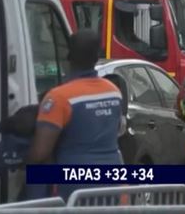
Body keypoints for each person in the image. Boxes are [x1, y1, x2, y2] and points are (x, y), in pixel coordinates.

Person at [28, 31, 124, 200]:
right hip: (112, 180)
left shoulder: (59, 98)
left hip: (76, 187)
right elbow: (114, 132)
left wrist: (20, 160)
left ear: (69, 56)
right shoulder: (113, 92)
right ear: (96, 57)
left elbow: (41, 152)